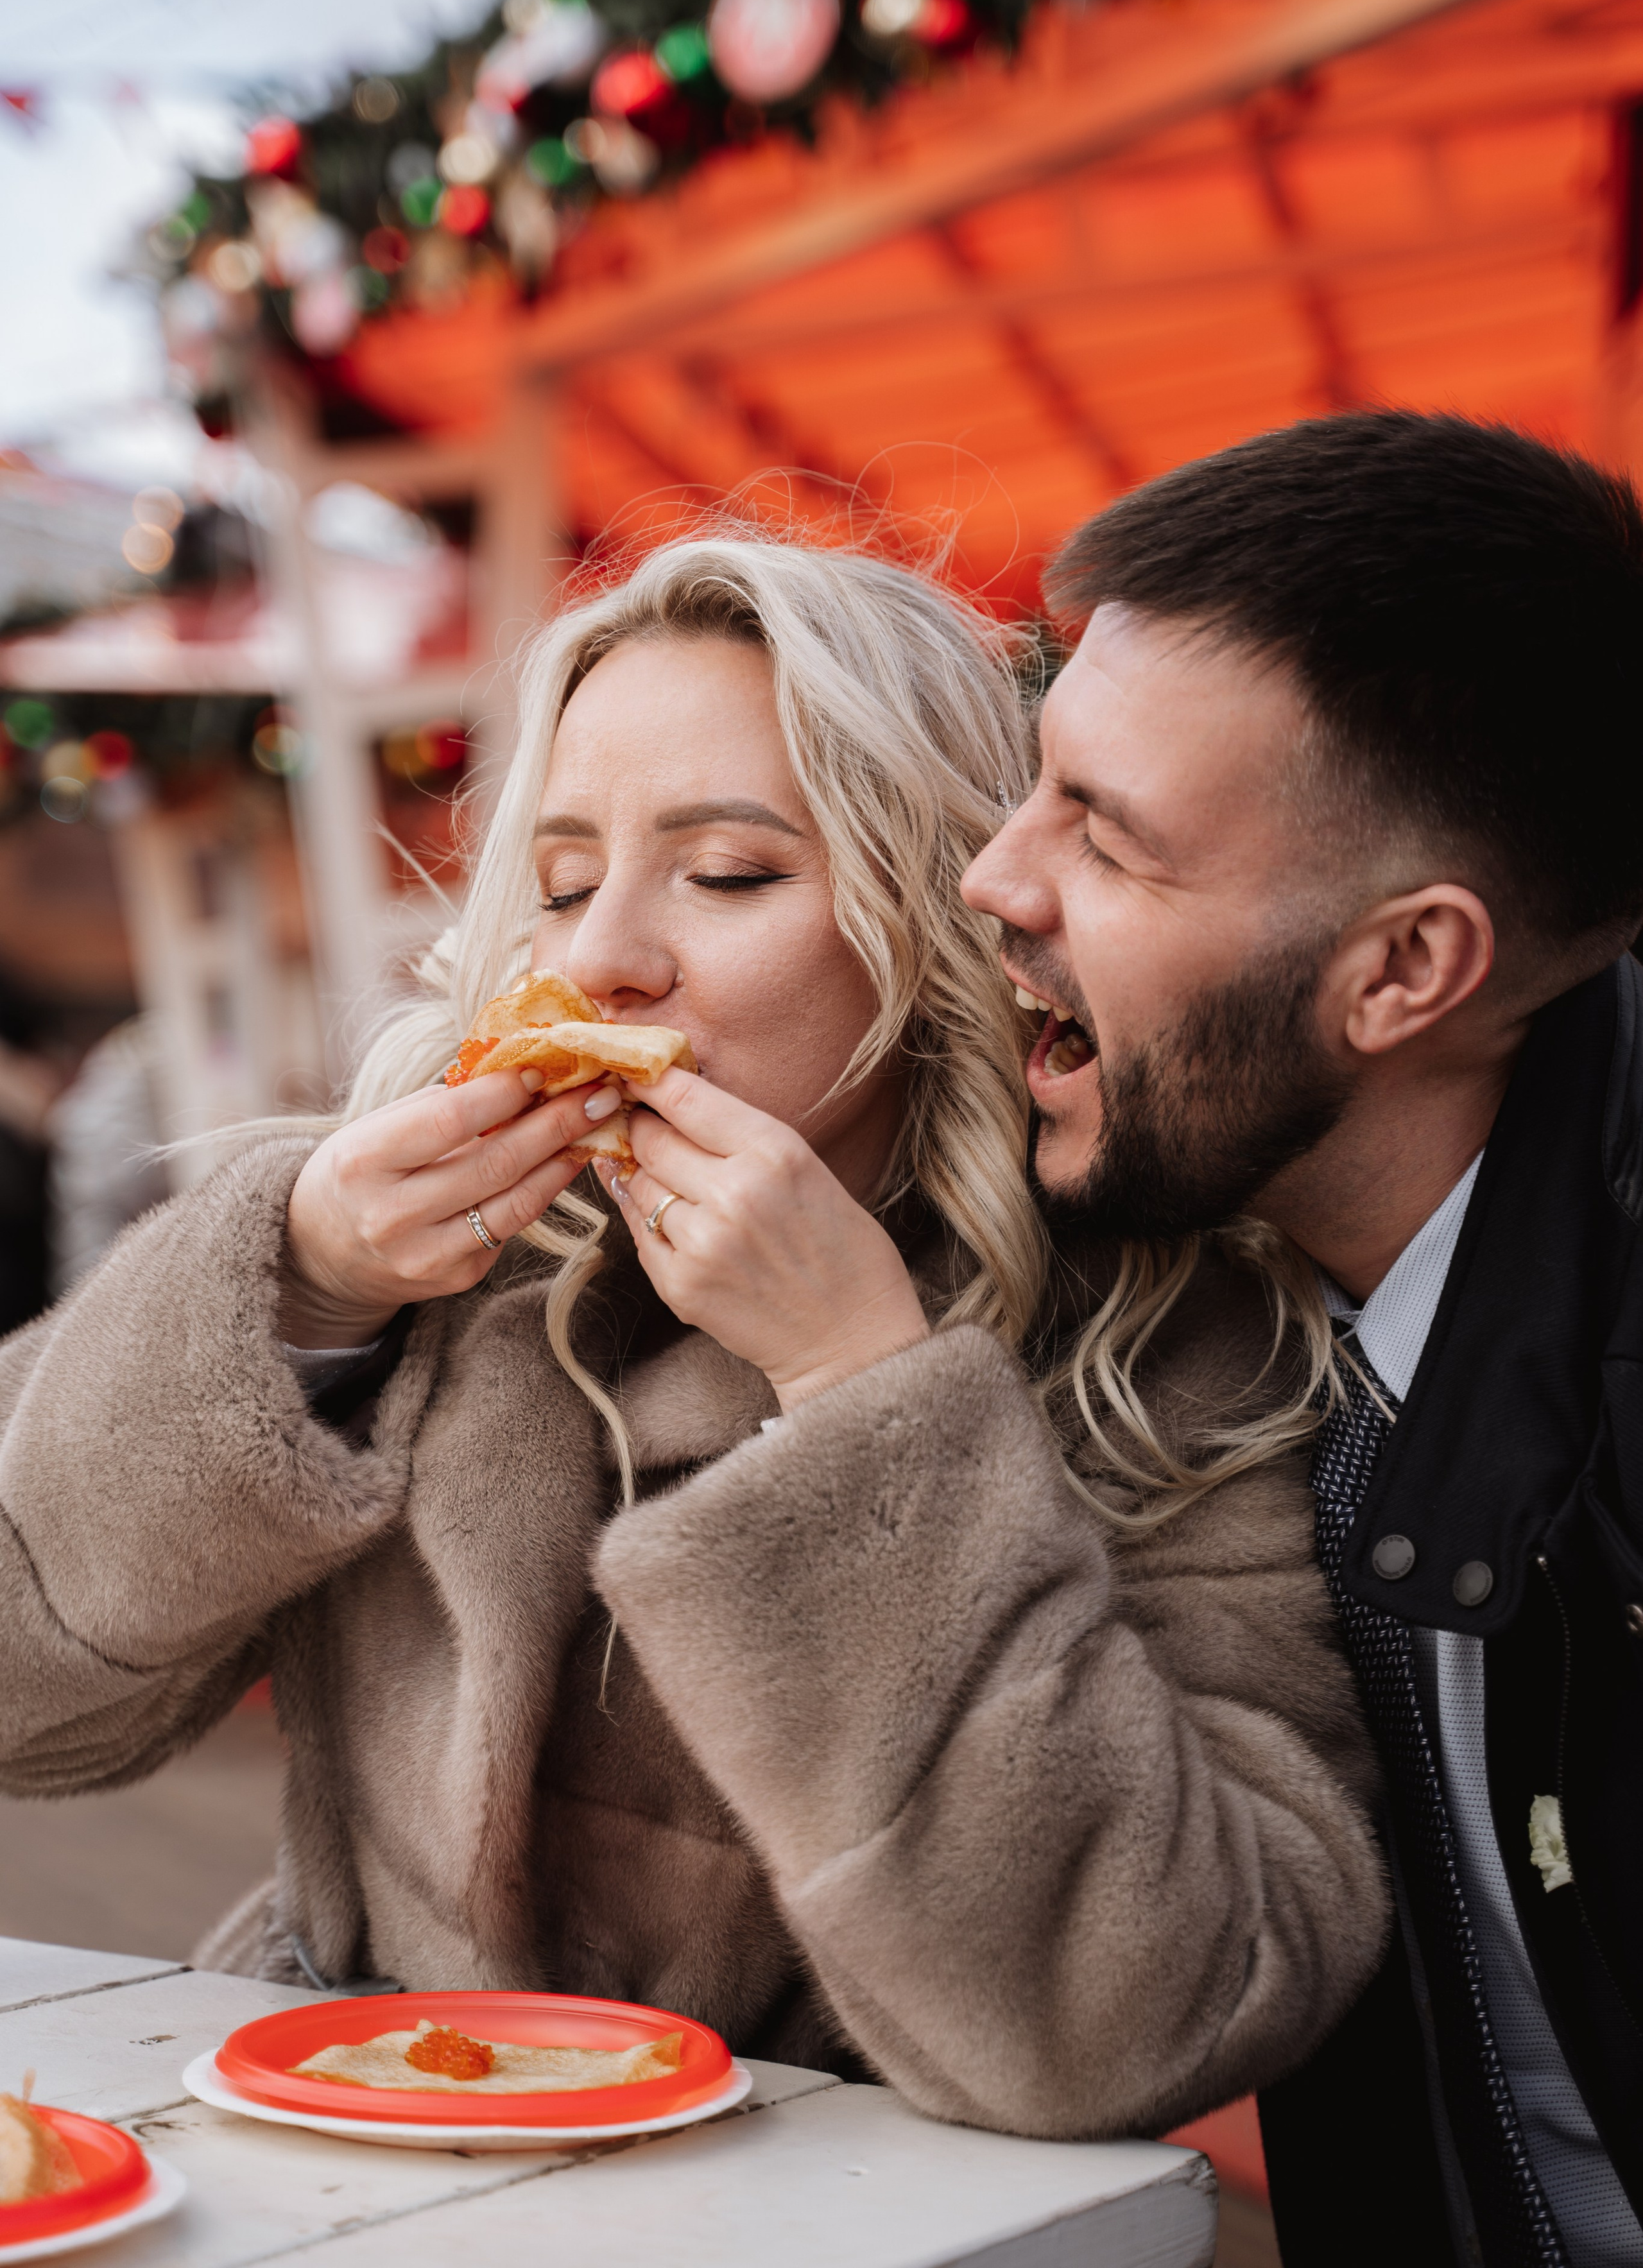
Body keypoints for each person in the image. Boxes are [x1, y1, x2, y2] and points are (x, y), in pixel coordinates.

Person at [0, 534, 1386, 2138]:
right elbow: (28, 1714)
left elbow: (1124, 2031)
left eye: (728, 873)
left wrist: (862, 1394)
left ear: (948, 922)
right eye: (566, 881)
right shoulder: (439, 1266)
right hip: (330, 2135)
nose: (598, 960)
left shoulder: (1184, 1354)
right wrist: (299, 1297)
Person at [963, 411, 1643, 2265]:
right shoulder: (1207, 1285)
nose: (995, 884)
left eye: (1105, 835)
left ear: (1406, 971)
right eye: (1039, 786)